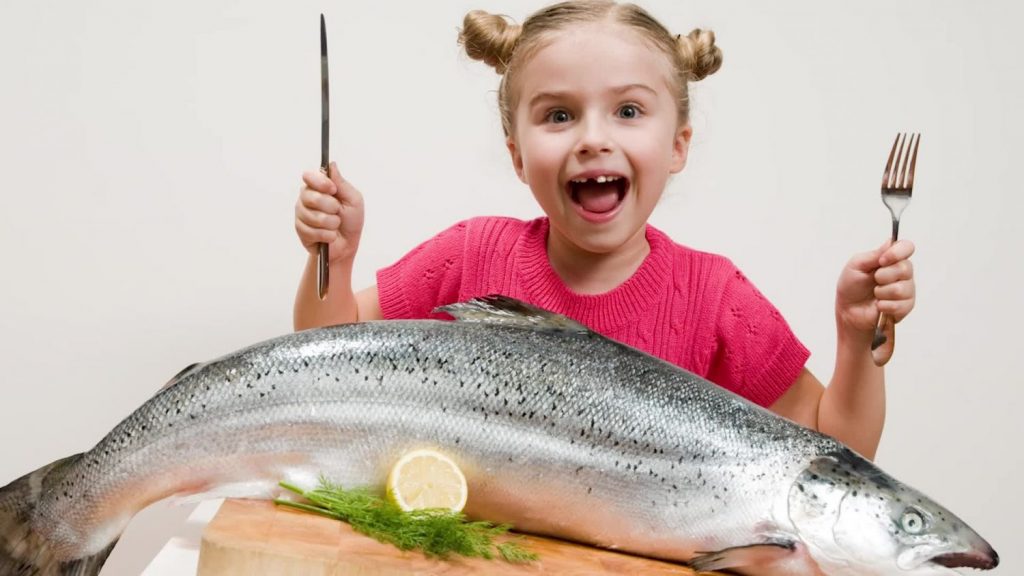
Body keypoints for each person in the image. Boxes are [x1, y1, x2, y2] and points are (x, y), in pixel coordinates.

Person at [291, 0, 916, 461]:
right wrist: (333, 261)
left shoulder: (715, 297)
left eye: (628, 111)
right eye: (559, 114)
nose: (594, 138)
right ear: (517, 153)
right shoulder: (470, 255)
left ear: (677, 146)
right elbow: (326, 359)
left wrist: (857, 339)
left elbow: (836, 452)